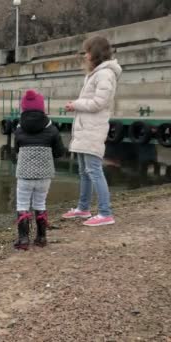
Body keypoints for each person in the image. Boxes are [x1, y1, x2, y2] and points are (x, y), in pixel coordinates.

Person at [62, 36, 122, 226]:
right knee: (84, 171)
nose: (85, 55)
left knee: (94, 170)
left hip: (93, 130)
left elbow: (99, 103)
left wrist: (76, 104)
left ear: (95, 53)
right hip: (85, 129)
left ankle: (105, 213)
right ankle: (83, 208)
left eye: (88, 51)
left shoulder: (105, 74)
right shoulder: (96, 73)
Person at [14, 89, 65, 250]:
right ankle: (41, 238)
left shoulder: (19, 128)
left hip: (24, 174)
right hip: (44, 175)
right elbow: (59, 152)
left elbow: (16, 149)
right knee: (40, 203)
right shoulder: (52, 129)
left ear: (23, 108)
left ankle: (23, 240)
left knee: (22, 204)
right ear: (42, 108)